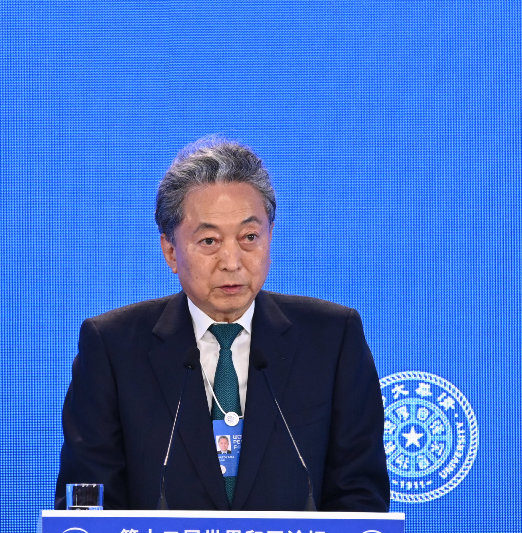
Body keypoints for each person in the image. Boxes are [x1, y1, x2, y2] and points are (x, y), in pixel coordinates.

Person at [55, 137, 390, 512]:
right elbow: (87, 504)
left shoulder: (332, 338)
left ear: (270, 236)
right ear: (170, 251)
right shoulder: (113, 347)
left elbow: (362, 497)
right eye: (210, 240)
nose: (232, 261)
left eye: (249, 237)